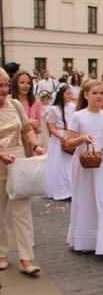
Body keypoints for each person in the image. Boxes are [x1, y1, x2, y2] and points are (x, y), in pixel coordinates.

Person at [64, 79, 103, 260]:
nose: (99, 96)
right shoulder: (78, 116)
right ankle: (87, 240)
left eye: (101, 93)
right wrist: (82, 139)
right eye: (95, 93)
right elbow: (67, 142)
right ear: (86, 95)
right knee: (85, 198)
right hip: (84, 161)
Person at [0, 68, 46, 274]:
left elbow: (27, 129)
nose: (3, 89)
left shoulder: (15, 104)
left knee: (22, 212)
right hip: (0, 162)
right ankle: (1, 253)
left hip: (18, 162)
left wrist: (36, 146)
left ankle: (26, 258)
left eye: (5, 85)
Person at [45, 84, 75, 200]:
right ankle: (59, 188)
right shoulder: (54, 109)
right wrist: (62, 137)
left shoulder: (73, 107)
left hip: (69, 135)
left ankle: (70, 188)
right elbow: (52, 127)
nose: (69, 96)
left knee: (70, 162)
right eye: (67, 93)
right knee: (59, 163)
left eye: (70, 93)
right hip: (59, 137)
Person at [10, 70, 42, 138]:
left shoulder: (36, 102)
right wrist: (28, 122)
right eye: (22, 82)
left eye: (28, 83)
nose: (26, 86)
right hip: (12, 143)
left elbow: (39, 130)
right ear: (15, 83)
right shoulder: (8, 100)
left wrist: (35, 127)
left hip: (30, 143)